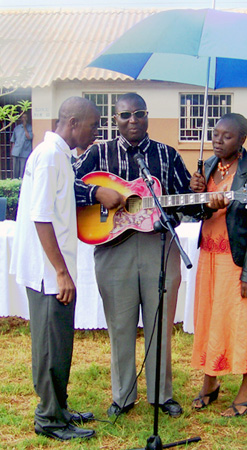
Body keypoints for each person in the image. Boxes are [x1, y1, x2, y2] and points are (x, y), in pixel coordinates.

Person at [74, 92, 192, 418]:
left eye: (139, 113)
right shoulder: (98, 153)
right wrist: (96, 192)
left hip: (159, 247)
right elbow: (64, 184)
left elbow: (188, 202)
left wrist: (201, 197)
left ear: (147, 116)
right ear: (116, 119)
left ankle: (161, 395)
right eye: (125, 115)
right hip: (113, 249)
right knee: (121, 326)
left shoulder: (166, 155)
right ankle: (122, 396)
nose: (133, 120)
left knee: (160, 324)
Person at [9, 97, 120, 441]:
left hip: (52, 269)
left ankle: (59, 407)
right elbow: (41, 216)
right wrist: (59, 271)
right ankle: (49, 419)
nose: (97, 133)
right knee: (50, 345)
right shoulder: (50, 157)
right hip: (47, 273)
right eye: (94, 125)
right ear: (72, 122)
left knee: (60, 343)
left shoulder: (58, 155)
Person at [189, 113, 247, 417]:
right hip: (208, 258)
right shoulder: (208, 167)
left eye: (226, 136)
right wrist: (196, 194)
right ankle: (210, 382)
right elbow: (193, 214)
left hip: (237, 261)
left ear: (242, 140)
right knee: (211, 319)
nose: (217, 140)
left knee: (242, 323)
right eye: (215, 134)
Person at [10, 112, 33, 178]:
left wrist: (25, 128)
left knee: (23, 169)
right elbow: (13, 140)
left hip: (25, 152)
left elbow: (29, 137)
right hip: (16, 152)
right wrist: (12, 151)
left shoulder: (30, 128)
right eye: (23, 117)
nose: (24, 119)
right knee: (15, 169)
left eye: (26, 117)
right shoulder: (17, 128)